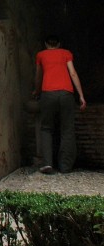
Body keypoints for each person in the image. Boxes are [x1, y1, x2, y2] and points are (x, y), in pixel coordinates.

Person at [32, 36, 86, 174]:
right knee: (67, 129)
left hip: (48, 94)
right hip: (66, 94)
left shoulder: (41, 55)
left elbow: (38, 76)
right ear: (59, 44)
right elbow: (73, 73)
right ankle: (65, 166)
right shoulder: (66, 53)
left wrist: (37, 91)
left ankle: (47, 164)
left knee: (46, 128)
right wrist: (81, 95)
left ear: (46, 44)